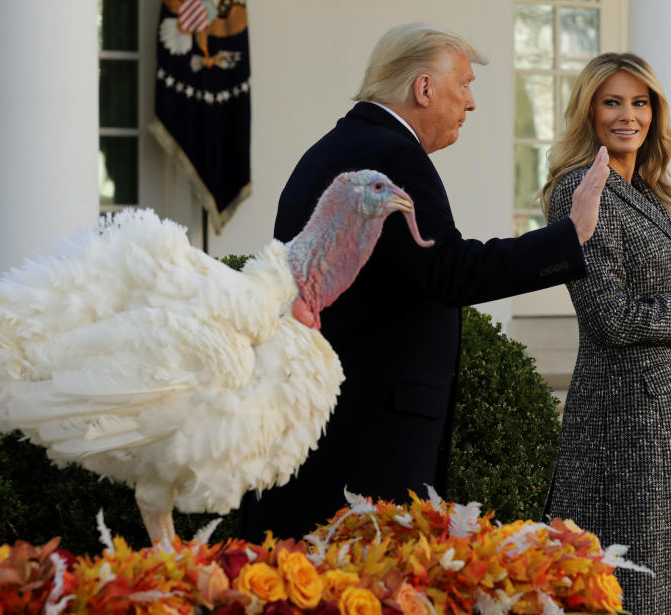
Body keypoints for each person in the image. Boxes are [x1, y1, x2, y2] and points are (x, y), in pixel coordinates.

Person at [238, 23, 610, 542]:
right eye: (463, 84)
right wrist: (570, 236)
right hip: (365, 436)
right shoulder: (390, 155)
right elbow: (450, 271)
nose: (472, 102)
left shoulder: (341, 146)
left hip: (327, 422)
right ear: (424, 88)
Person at [541, 52, 671, 613]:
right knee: (633, 581)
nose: (629, 115)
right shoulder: (582, 189)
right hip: (621, 420)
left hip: (664, 410)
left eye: (640, 102)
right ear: (589, 112)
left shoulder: (647, 191)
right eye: (613, 102)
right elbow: (611, 317)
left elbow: (651, 293)